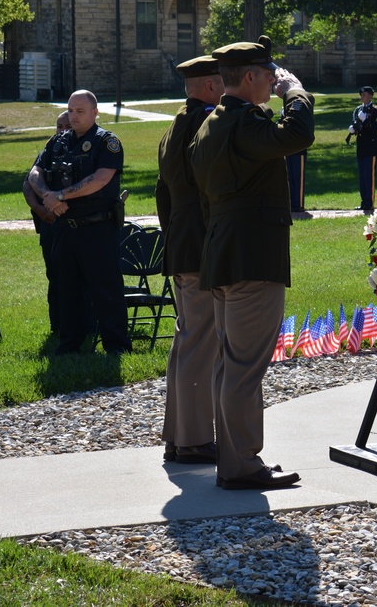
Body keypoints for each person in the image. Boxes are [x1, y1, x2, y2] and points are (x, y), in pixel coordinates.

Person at [189, 35, 315, 490]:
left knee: (230, 364)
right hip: (252, 259)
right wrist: (295, 92)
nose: (273, 80)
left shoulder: (212, 124)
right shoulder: (244, 123)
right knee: (243, 368)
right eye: (268, 74)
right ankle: (241, 465)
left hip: (224, 253)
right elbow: (297, 135)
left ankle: (236, 458)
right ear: (249, 78)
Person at [155, 55, 225, 465]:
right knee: (201, 342)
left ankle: (179, 434)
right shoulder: (205, 123)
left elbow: (162, 192)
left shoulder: (173, 125)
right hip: (201, 239)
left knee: (187, 341)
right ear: (213, 86)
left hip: (181, 237)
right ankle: (195, 439)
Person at [27, 90, 132, 356]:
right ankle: (70, 345)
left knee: (106, 290)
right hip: (65, 229)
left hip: (97, 228)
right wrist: (47, 197)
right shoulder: (59, 141)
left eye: (80, 111)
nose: (73, 116)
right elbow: (35, 172)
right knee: (67, 289)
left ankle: (116, 346)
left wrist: (60, 195)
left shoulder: (107, 142)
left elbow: (100, 179)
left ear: (95, 112)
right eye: (71, 110)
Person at [22, 111, 70, 333]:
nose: (62, 131)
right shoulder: (49, 150)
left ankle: (87, 325)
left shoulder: (88, 149)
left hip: (76, 227)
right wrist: (41, 211)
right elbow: (27, 185)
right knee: (55, 275)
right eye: (59, 126)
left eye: (67, 126)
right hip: (50, 225)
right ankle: (58, 325)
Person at [348, 85, 377, 214]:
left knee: (369, 176)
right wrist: (353, 128)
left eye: (365, 95)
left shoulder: (376, 110)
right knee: (362, 176)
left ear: (371, 96)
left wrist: (365, 120)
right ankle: (364, 202)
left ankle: (369, 203)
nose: (363, 97)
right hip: (361, 147)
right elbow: (355, 124)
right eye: (361, 95)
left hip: (371, 147)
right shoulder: (358, 110)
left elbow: (375, 127)